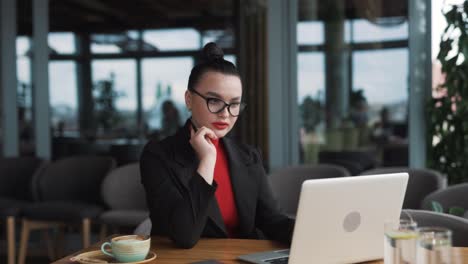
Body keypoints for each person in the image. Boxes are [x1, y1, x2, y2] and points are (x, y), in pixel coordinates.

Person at [140, 42, 294, 248]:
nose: (225, 113)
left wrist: (312, 232)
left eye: (234, 103)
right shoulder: (158, 156)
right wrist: (207, 161)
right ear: (189, 99)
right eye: (214, 100)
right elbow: (184, 236)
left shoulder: (248, 155)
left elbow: (272, 221)